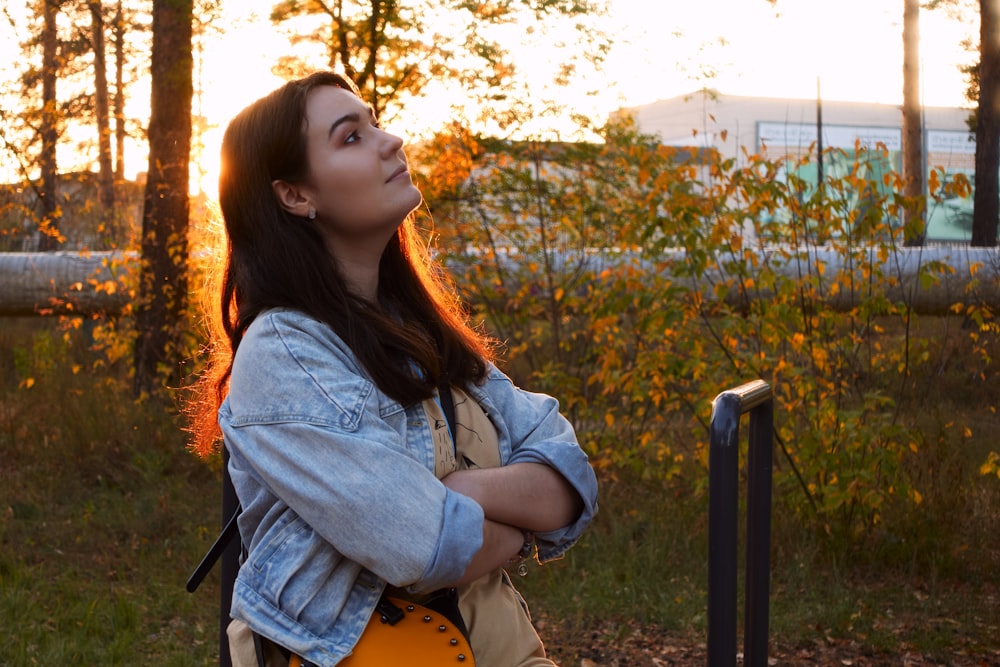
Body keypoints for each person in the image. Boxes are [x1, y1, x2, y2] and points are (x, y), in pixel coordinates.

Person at [189, 70, 599, 667]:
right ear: (295, 195)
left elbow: (569, 474)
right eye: (351, 137)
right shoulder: (283, 355)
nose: (390, 140)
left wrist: (458, 492)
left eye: (375, 123)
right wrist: (518, 524)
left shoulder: (420, 330)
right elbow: (422, 543)